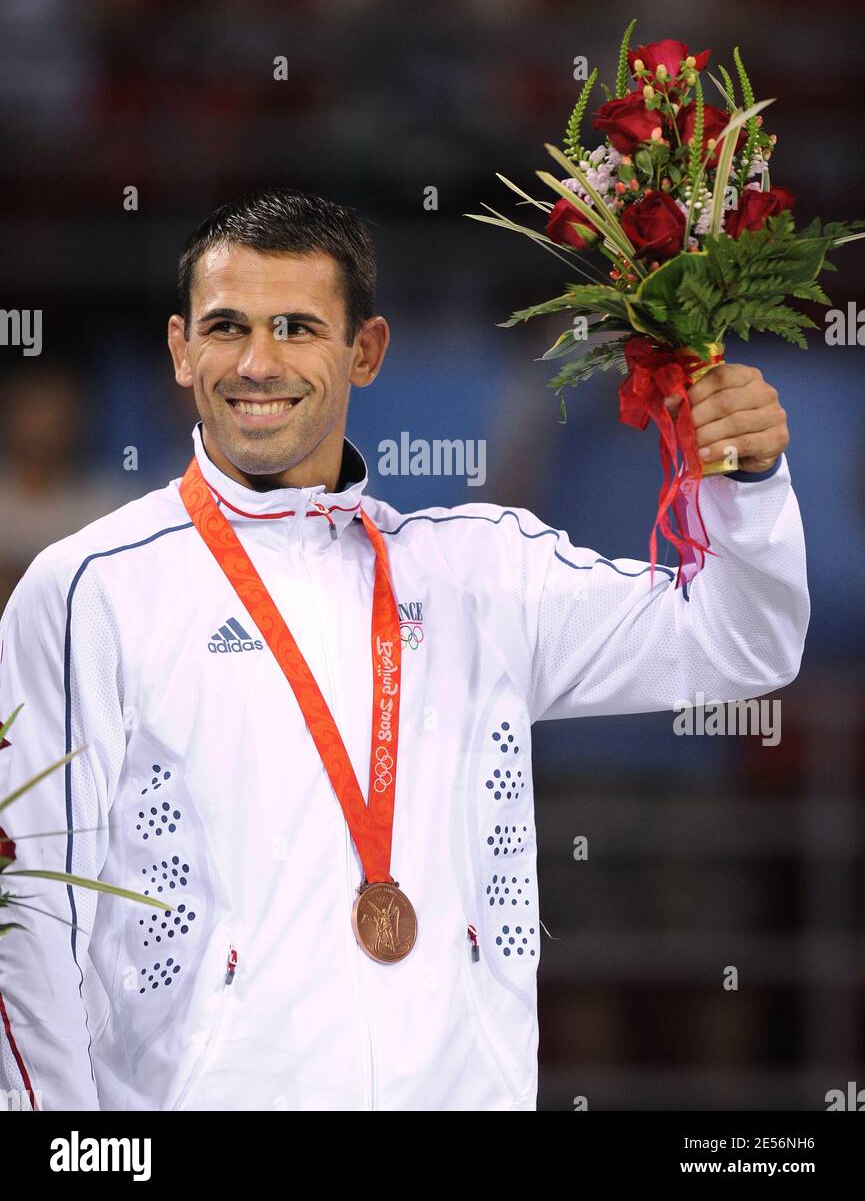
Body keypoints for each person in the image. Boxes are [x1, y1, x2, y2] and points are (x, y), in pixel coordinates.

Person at [0, 187, 808, 1112]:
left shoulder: (478, 570)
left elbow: (736, 645)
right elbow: (32, 914)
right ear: (182, 349)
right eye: (227, 327)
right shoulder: (90, 590)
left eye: (298, 328)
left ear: (366, 352)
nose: (257, 363)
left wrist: (747, 485)